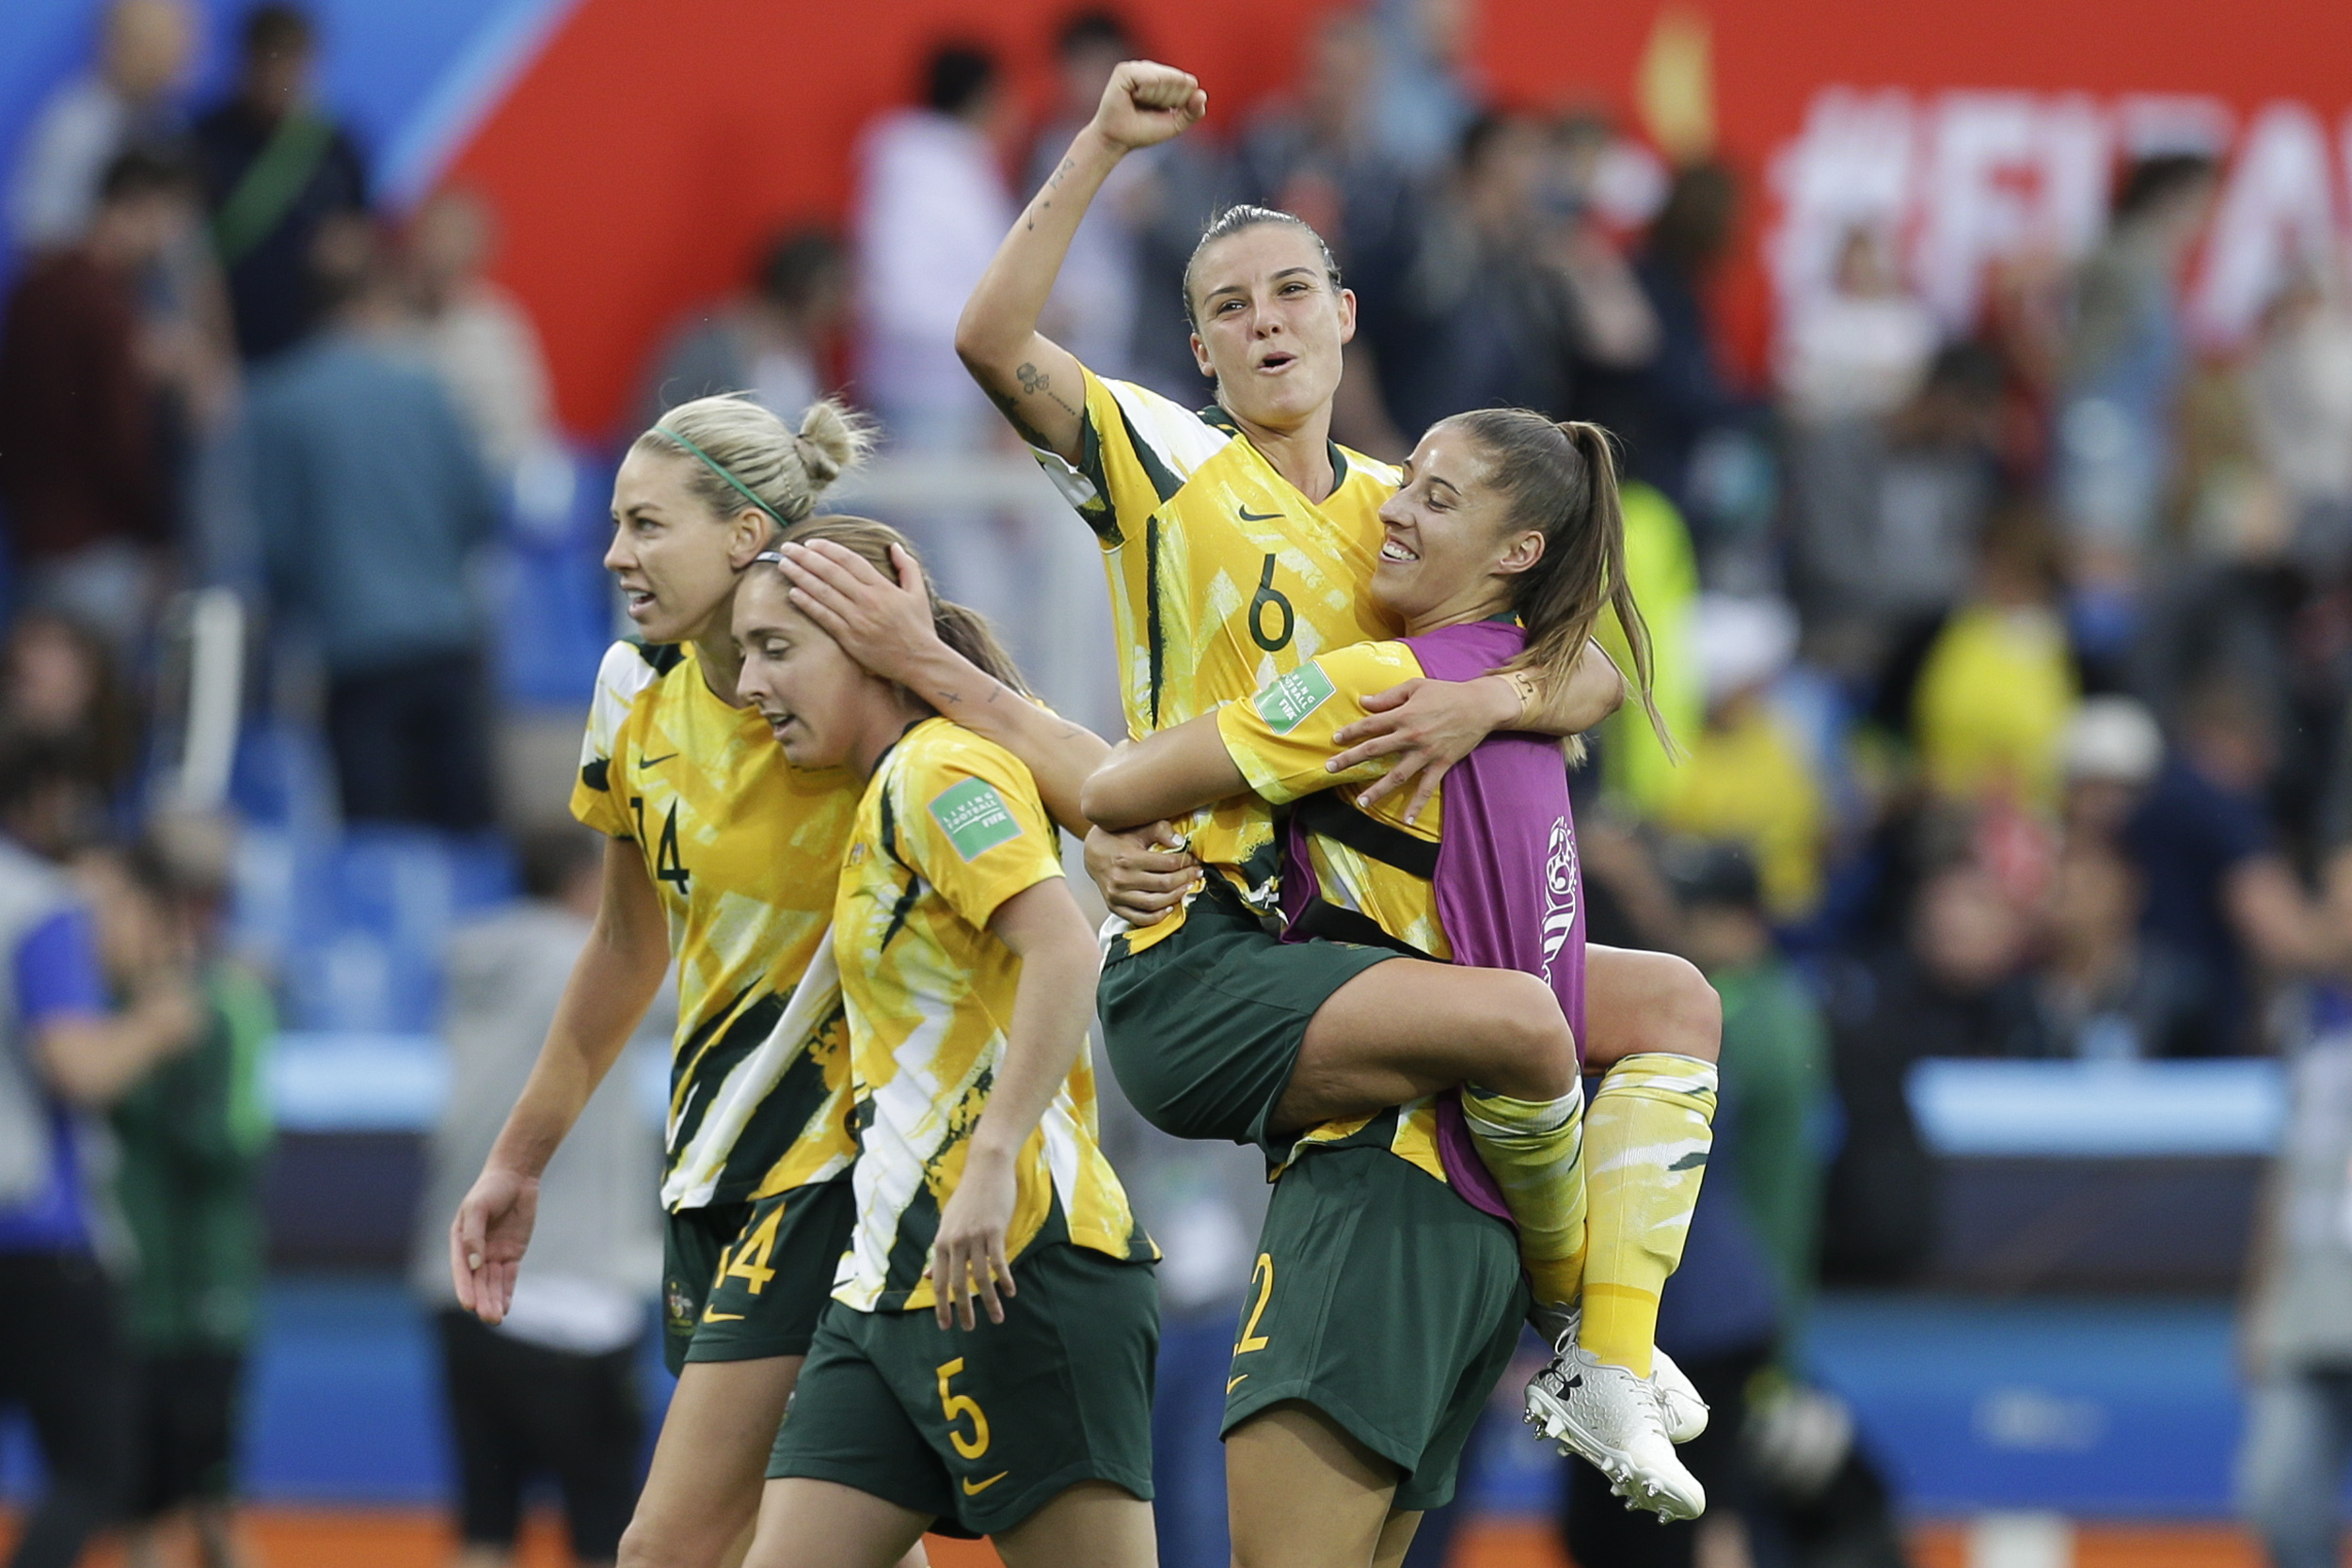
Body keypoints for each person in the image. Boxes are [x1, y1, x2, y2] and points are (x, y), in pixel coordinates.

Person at [449, 394, 1107, 1568]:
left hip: (840, 1169)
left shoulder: (871, 695)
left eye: (647, 524)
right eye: (613, 522)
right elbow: (622, 949)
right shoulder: (629, 692)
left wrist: (936, 673)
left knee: (668, 1547)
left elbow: (1088, 807)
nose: (614, 555)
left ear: (745, 533)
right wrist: (520, 1155)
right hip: (713, 1169)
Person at [1082, 409, 1723, 1543]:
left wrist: (1107, 822)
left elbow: (1121, 782)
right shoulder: (1523, 675)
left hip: (1379, 1189)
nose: (1394, 508)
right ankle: (1608, 1339)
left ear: (1516, 550)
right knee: (1675, 999)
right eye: (1403, 485)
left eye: (1437, 496)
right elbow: (1598, 677)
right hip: (1475, 1209)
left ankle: (1579, 1311)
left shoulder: (1380, 683)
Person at [731, 517, 1157, 1567]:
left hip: (1018, 1259)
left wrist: (994, 1155)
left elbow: (1064, 949)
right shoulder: (877, 790)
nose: (747, 682)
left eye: (776, 649)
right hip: (883, 1281)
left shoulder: (941, 774)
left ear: (867, 647)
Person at [414, 824, 670, 1568]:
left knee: (485, 1523)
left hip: (455, 1278)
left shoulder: (472, 964)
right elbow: (722, 989)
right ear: (588, 886)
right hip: (574, 1298)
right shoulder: (593, 963)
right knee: (604, 1530)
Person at [0, 738, 206, 1568]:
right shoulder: (38, 903)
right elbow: (78, 1066)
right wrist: (159, 1025)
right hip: (36, 1234)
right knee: (97, 1468)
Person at [246, 218, 501, 831]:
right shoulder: (424, 388)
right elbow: (480, 506)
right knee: (463, 837)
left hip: (353, 653)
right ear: (377, 295)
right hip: (447, 636)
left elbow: (277, 546)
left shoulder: (276, 401)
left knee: (378, 846)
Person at [79, 817, 274, 1568]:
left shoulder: (229, 1005)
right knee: (135, 1505)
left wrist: (176, 1044)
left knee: (211, 1500)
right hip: (124, 1284)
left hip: (209, 1290)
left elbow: (236, 1141)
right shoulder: (101, 1005)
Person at [0, 147, 204, 647]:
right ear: (139, 205)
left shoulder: (35, 292)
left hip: (34, 542)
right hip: (101, 552)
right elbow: (121, 441)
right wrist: (160, 535)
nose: (172, 240)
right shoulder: (108, 312)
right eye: (172, 219)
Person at [851, 42, 1015, 453]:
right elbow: (898, 298)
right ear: (985, 97)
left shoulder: (963, 168)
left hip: (961, 389)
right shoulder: (918, 175)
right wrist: (1000, 325)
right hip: (922, 393)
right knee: (924, 515)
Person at [192, 2, 369, 361]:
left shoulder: (337, 147)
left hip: (313, 348)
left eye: (291, 62)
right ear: (245, 61)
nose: (279, 77)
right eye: (269, 60)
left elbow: (363, 236)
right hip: (221, 348)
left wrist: (348, 253)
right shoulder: (202, 141)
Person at [8, 0, 196, 251]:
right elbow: (41, 234)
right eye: (161, 43)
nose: (177, 57)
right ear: (116, 45)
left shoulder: (169, 122)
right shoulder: (75, 125)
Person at [404, 187, 557, 477]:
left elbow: (525, 431)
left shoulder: (499, 327)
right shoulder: (382, 326)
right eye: (435, 234)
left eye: (456, 236)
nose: (443, 249)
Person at [637, 226, 849, 431]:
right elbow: (655, 431)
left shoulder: (805, 354)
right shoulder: (710, 345)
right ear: (805, 288)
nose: (844, 308)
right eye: (836, 291)